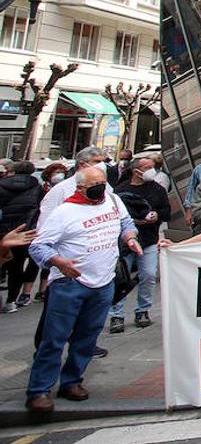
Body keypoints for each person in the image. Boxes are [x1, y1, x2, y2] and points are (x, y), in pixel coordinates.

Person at [26, 166, 142, 412]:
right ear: (80, 188)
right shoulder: (64, 212)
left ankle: (72, 381)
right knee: (54, 339)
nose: (100, 187)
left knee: (87, 338)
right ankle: (39, 390)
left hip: (103, 282)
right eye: (94, 184)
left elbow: (126, 222)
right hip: (70, 284)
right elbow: (39, 246)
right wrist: (59, 262)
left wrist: (130, 237)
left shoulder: (112, 199)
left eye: (102, 181)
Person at [107, 158, 170, 333]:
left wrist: (157, 215)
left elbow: (166, 211)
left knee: (149, 275)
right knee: (121, 277)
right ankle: (116, 314)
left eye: (152, 167)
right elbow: (114, 215)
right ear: (136, 171)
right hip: (124, 243)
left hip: (149, 239)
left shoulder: (158, 189)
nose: (152, 170)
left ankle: (143, 310)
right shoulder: (121, 190)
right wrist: (133, 222)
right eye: (147, 168)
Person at [0, 161, 42, 312]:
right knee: (16, 267)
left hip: (4, 231)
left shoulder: (3, 185)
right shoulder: (37, 188)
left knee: (6, 265)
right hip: (25, 232)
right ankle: (11, 300)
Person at [38, 147, 109, 233]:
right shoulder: (61, 190)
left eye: (103, 162)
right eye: (97, 162)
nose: (102, 165)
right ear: (82, 164)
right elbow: (45, 224)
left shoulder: (106, 187)